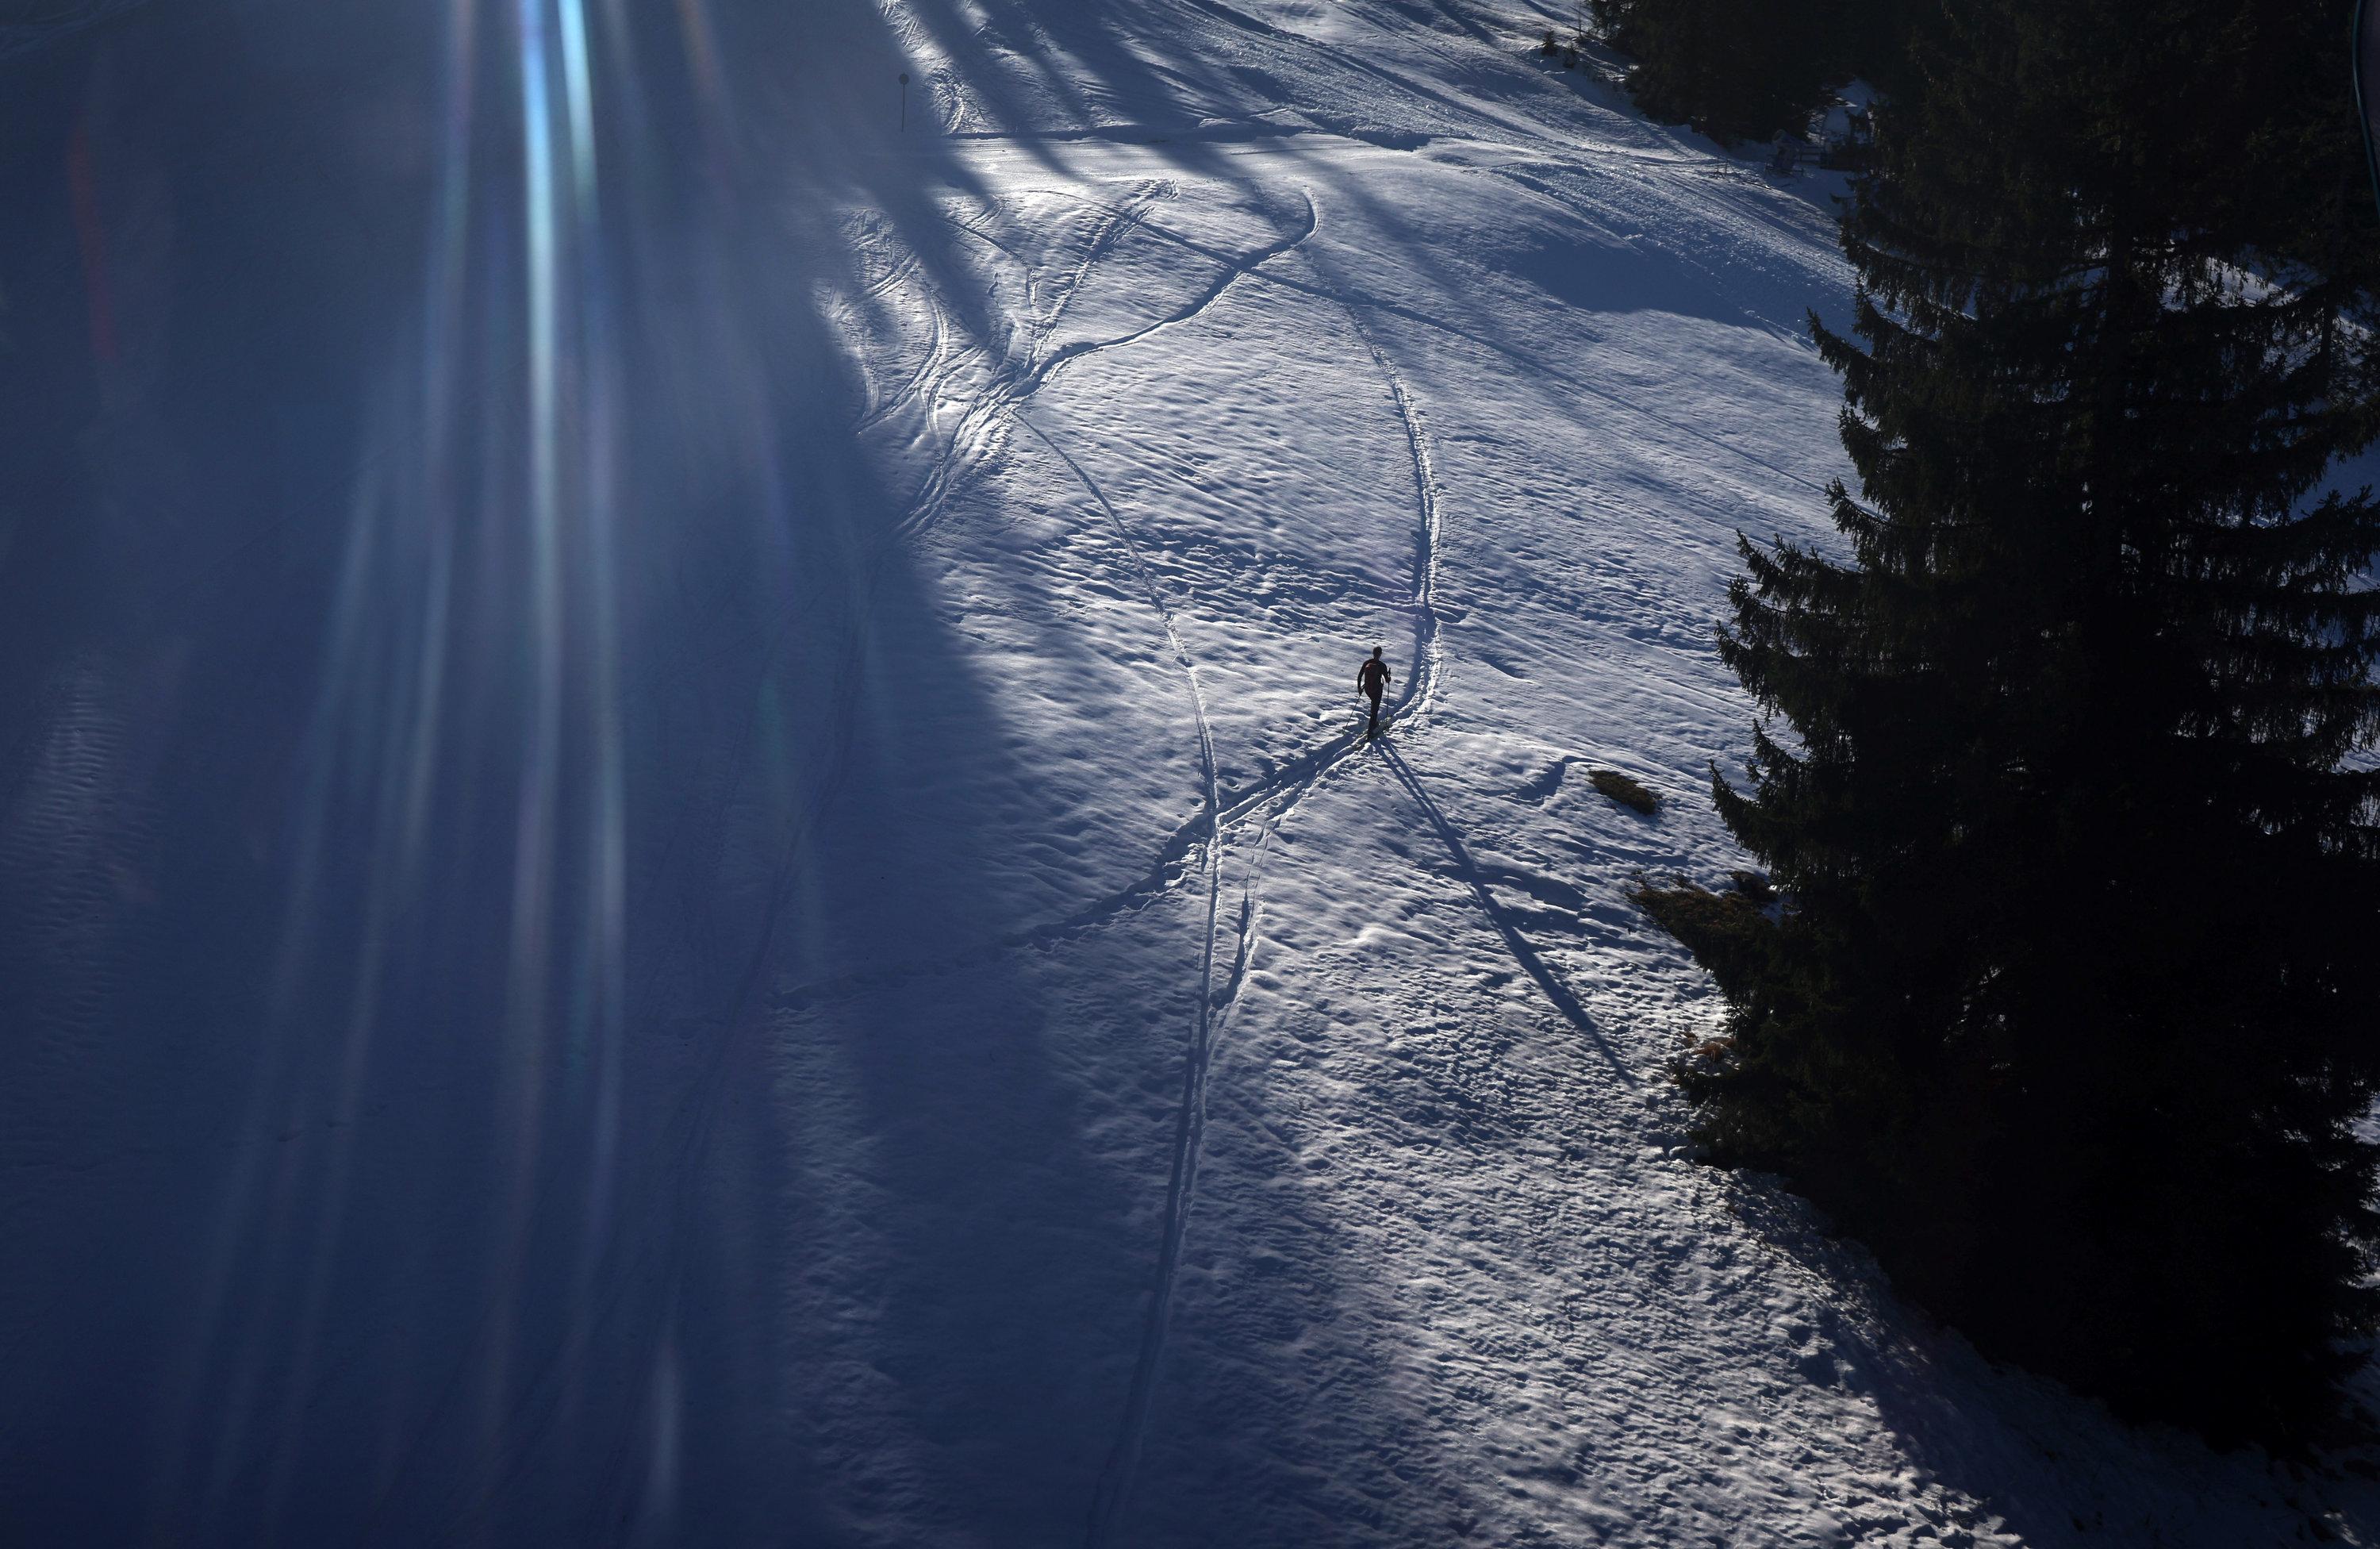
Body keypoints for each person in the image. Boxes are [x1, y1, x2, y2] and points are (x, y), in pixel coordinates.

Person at [1357, 646, 1392, 737]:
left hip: (1368, 689)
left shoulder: (1367, 663)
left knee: (1374, 704)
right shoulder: (1382, 665)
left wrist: (1359, 688)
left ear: (1373, 653)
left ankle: (1374, 722)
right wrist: (1389, 677)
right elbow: (1387, 680)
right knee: (1375, 709)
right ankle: (1370, 732)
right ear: (1380, 654)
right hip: (1377, 689)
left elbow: (1360, 676)